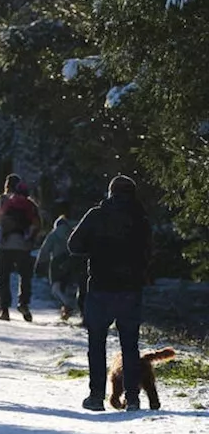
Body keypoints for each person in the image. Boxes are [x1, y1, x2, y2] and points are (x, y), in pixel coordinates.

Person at [69, 175, 152, 412]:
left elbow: (73, 245)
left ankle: (96, 396)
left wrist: (94, 248)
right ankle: (133, 398)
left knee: (96, 344)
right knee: (130, 346)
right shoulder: (141, 219)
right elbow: (149, 251)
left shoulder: (96, 215)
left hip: (100, 288)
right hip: (130, 289)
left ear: (110, 192)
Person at [0, 175, 41, 321]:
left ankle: (4, 310)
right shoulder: (29, 204)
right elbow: (38, 224)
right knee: (25, 277)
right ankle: (24, 304)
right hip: (24, 246)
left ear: (6, 185)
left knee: (2, 278)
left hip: (4, 246)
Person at [37, 214, 85, 322]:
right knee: (70, 287)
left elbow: (45, 250)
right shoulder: (72, 233)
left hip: (57, 263)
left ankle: (67, 306)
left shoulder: (53, 234)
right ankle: (71, 309)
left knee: (57, 288)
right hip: (72, 261)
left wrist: (40, 264)